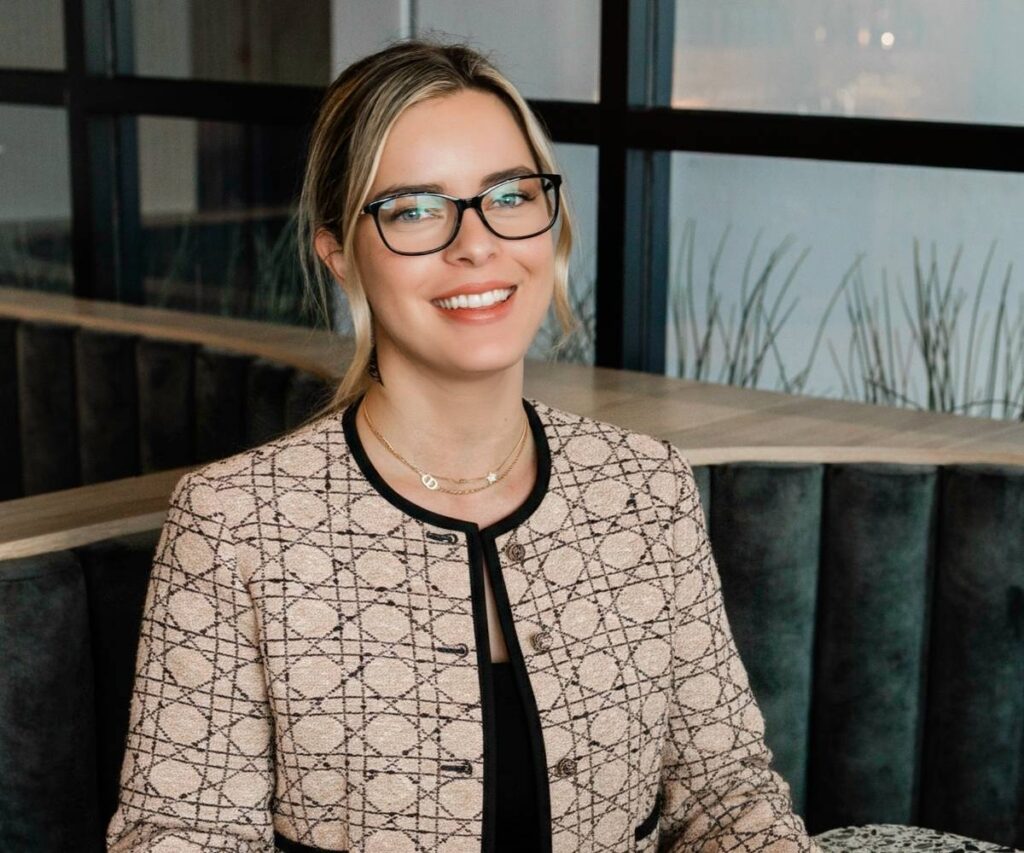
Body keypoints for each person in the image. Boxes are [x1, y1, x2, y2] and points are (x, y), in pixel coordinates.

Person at [105, 37, 822, 853]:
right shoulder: (234, 522)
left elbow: (723, 790)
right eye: (414, 209)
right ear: (339, 255)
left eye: (510, 196)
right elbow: (181, 835)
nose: (476, 243)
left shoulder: (643, 486)